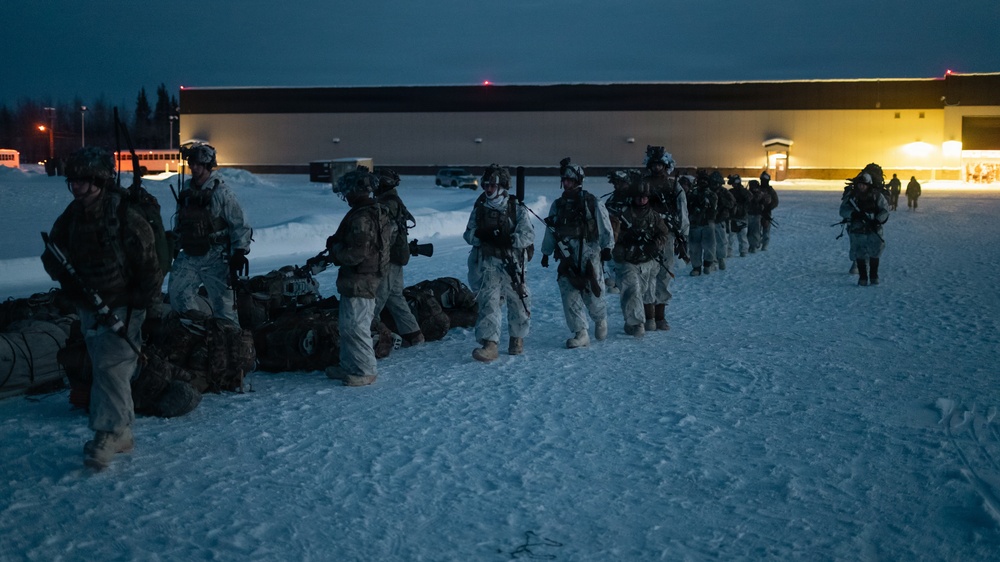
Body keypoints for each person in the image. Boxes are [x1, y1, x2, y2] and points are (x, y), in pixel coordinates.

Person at [41, 147, 164, 470]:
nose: (76, 188)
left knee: (111, 368)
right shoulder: (74, 215)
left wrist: (145, 305)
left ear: (99, 181)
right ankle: (122, 430)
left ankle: (108, 433)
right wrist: (66, 281)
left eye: (81, 182)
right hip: (89, 305)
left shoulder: (123, 215)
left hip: (123, 306)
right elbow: (53, 253)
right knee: (107, 369)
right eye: (73, 182)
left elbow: (150, 266)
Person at [323, 167, 394, 386]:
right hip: (359, 278)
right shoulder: (372, 211)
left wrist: (336, 252)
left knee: (356, 327)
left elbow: (357, 253)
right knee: (347, 326)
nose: (346, 197)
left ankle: (366, 370)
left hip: (361, 279)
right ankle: (349, 365)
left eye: (347, 191)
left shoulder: (363, 216)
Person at [168, 143, 252, 325]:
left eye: (198, 164)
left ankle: (234, 345)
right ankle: (196, 334)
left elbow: (239, 223)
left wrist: (239, 251)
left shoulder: (222, 192)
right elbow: (180, 222)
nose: (194, 168)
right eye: (192, 163)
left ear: (207, 166)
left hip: (216, 254)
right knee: (177, 295)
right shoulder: (186, 192)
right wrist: (177, 244)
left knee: (225, 308)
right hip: (190, 253)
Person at [540, 158, 614, 348]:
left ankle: (600, 318)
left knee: (592, 291)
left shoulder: (592, 202)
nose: (566, 184)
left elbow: (605, 227)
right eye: (564, 180)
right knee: (568, 290)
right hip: (567, 253)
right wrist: (546, 252)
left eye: (570, 181)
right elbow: (551, 228)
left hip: (589, 251)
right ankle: (580, 332)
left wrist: (607, 248)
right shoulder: (558, 205)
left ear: (578, 181)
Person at [464, 164, 534, 362]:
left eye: (492, 186)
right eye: (485, 185)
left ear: (502, 186)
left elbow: (528, 234)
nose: (487, 189)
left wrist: (509, 240)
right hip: (488, 263)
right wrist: (481, 236)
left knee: (518, 300)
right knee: (489, 301)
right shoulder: (480, 208)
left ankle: (517, 337)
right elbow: (468, 233)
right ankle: (490, 344)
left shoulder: (516, 208)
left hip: (512, 262)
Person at [373, 168, 425, 347]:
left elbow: (383, 232)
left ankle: (374, 338)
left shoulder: (387, 203)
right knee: (395, 297)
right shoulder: (390, 200)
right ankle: (414, 334)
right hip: (396, 255)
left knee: (377, 298)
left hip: (390, 257)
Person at [612, 177, 669, 337]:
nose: (641, 199)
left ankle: (649, 318)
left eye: (644, 196)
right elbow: (613, 237)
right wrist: (624, 244)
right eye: (638, 196)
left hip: (649, 261)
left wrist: (656, 243)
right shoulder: (623, 216)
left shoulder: (654, 217)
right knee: (632, 290)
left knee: (646, 291)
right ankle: (636, 324)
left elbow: (663, 233)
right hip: (628, 260)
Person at [644, 146, 688, 330]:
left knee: (664, 274)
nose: (657, 168)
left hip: (667, 235)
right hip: (644, 235)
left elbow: (682, 211)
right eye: (654, 164)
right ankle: (648, 317)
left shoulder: (673, 185)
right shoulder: (642, 184)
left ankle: (660, 316)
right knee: (646, 274)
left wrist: (683, 236)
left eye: (660, 165)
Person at [839, 171, 889, 286]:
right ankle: (862, 277)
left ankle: (874, 276)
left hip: (873, 228)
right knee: (859, 253)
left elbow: (885, 210)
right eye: (859, 184)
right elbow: (842, 210)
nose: (861, 186)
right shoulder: (852, 196)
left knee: (875, 251)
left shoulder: (877, 196)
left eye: (864, 184)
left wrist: (877, 220)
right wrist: (853, 214)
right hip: (857, 229)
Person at [687, 170, 717, 276]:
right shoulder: (692, 194)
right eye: (701, 180)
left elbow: (714, 207)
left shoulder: (712, 194)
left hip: (708, 223)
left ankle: (708, 264)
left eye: (705, 180)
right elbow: (687, 207)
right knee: (694, 247)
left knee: (709, 246)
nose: (703, 183)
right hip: (695, 223)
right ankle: (696, 267)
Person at [710, 171, 735, 270]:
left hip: (720, 220)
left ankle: (721, 260)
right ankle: (713, 261)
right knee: (711, 243)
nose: (715, 185)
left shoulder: (724, 192)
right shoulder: (708, 191)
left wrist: (722, 201)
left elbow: (732, 203)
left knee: (722, 242)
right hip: (709, 220)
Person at [727, 174, 750, 257]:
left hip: (742, 217)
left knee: (742, 236)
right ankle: (729, 252)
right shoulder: (731, 192)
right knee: (730, 236)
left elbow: (749, 200)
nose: (733, 185)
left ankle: (743, 251)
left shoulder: (744, 192)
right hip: (733, 217)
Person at [746, 179, 770, 253]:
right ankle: (752, 245)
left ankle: (754, 246)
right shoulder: (748, 193)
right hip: (749, 214)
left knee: (755, 231)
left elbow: (768, 201)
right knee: (750, 232)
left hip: (756, 215)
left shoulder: (760, 194)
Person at [759, 171, 779, 251]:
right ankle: (757, 243)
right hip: (757, 213)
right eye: (762, 180)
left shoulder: (771, 191)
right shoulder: (757, 189)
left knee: (766, 229)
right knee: (756, 230)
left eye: (764, 180)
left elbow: (775, 202)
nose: (763, 182)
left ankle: (765, 244)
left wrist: (768, 208)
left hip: (767, 213)